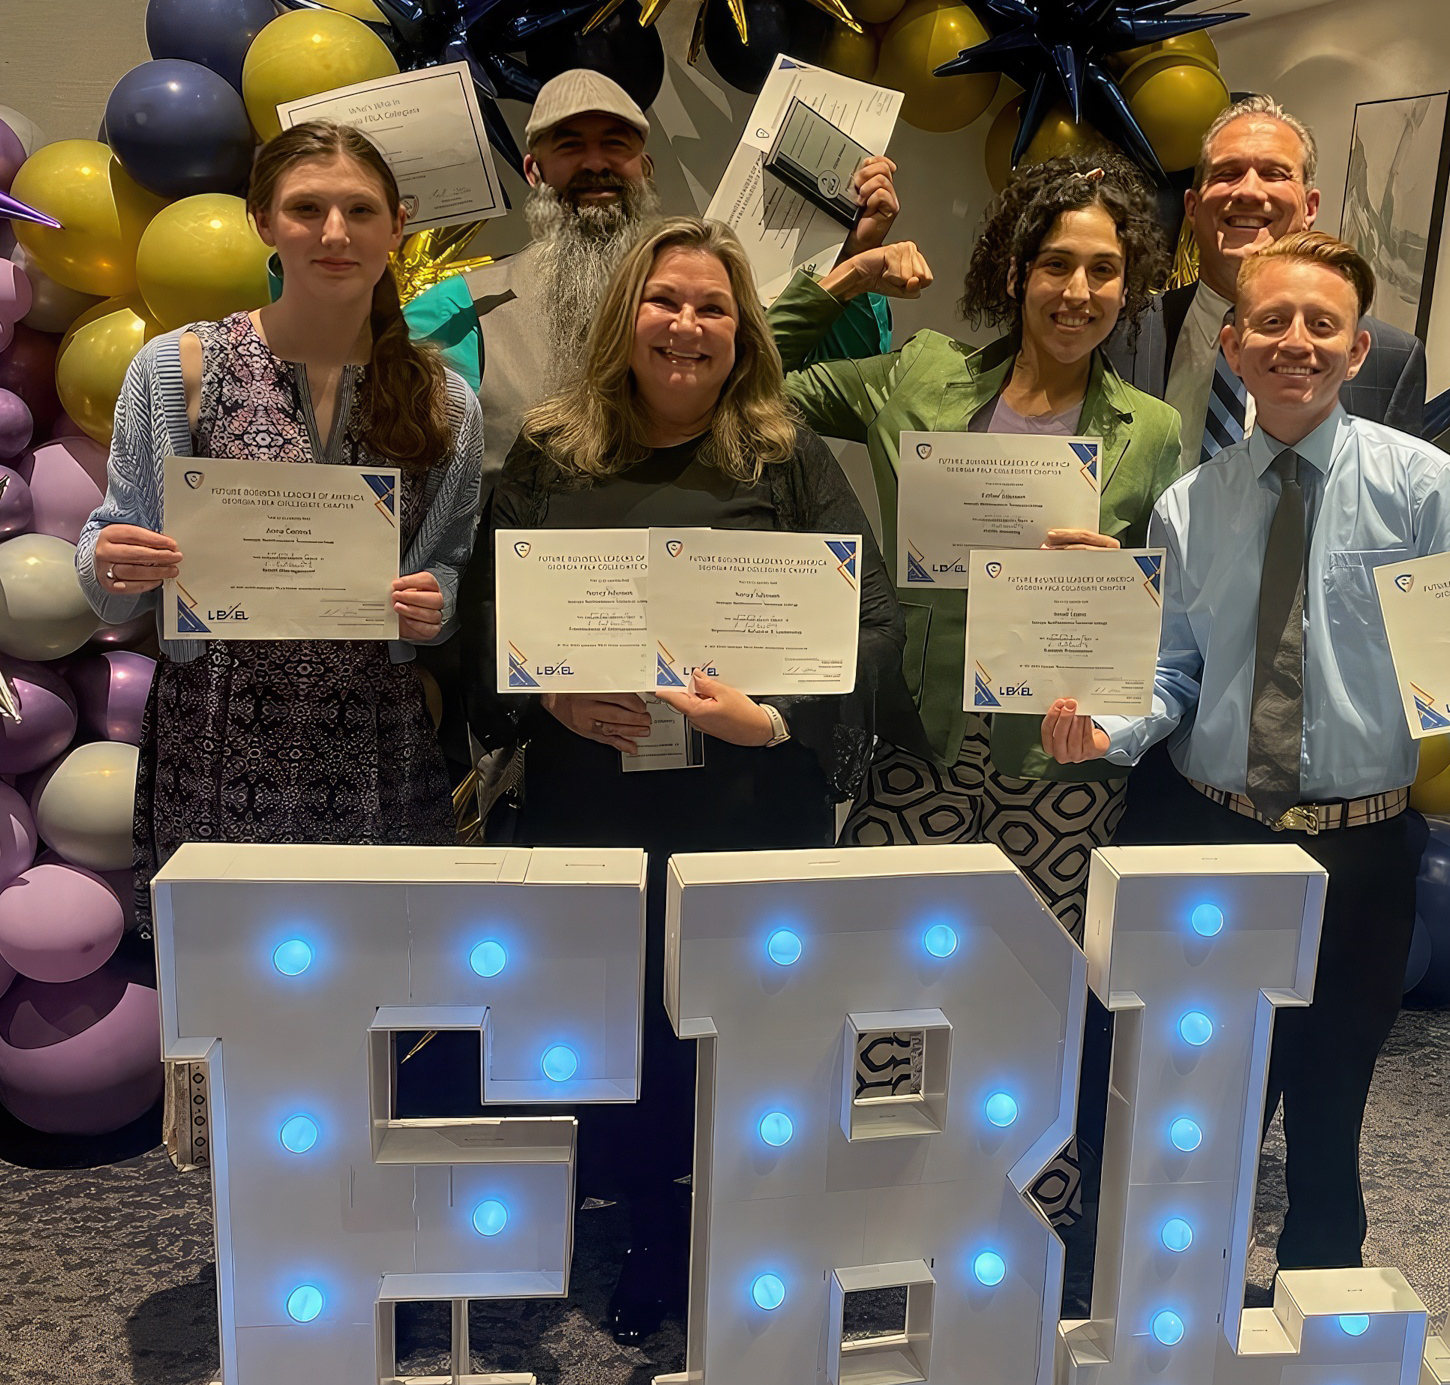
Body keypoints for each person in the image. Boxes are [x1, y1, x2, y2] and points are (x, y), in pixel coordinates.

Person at [459, 214, 917, 1342]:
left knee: (743, 1026)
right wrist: (546, 694)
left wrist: (776, 719)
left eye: (713, 307)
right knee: (618, 1027)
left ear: (742, 333)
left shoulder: (784, 457)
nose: (687, 324)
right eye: (666, 301)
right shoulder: (552, 453)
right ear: (627, 319)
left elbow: (873, 624)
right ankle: (650, 1224)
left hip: (746, 806)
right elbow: (482, 618)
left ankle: (750, 1227)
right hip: (594, 799)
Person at [1042, 232, 1450, 1274]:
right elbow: (1175, 671)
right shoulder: (1192, 506)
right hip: (1210, 828)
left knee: (1330, 1087)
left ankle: (1316, 1284)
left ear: (1358, 351)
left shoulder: (1418, 486)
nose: (1295, 343)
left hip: (1358, 846)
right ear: (1232, 343)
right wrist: (1109, 728)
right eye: (1271, 322)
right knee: (1198, 1079)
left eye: (1322, 325)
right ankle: (1164, 1289)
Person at [78, 121, 483, 935]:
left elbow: (444, 571)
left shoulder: (446, 403)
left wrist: (430, 603)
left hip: (372, 738)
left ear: (397, 225)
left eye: (361, 211)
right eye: (307, 209)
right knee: (225, 996)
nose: (335, 234)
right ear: (263, 223)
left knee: (378, 985)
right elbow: (107, 559)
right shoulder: (177, 368)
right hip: (217, 733)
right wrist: (111, 563)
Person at [768, 155, 1182, 942]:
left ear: (1127, 290)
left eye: (1105, 271)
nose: (1078, 292)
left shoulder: (1154, 430)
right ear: (1018, 272)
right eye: (1057, 264)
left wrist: (1122, 584)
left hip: (1062, 757)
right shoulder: (923, 376)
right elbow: (754, 380)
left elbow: (1174, 619)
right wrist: (848, 275)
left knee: (1032, 977)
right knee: (874, 954)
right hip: (924, 738)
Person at [405, 68, 902, 504]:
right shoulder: (464, 310)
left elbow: (828, 380)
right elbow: (405, 470)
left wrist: (850, 254)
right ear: (534, 171)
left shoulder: (719, 295)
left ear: (645, 168)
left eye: (616, 143)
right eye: (570, 144)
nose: (594, 162)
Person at [1113, 94, 1428, 473]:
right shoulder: (1120, 333)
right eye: (1227, 173)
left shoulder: (1388, 361)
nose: (1248, 191)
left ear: (1309, 207)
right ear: (1193, 207)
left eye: (1274, 174)